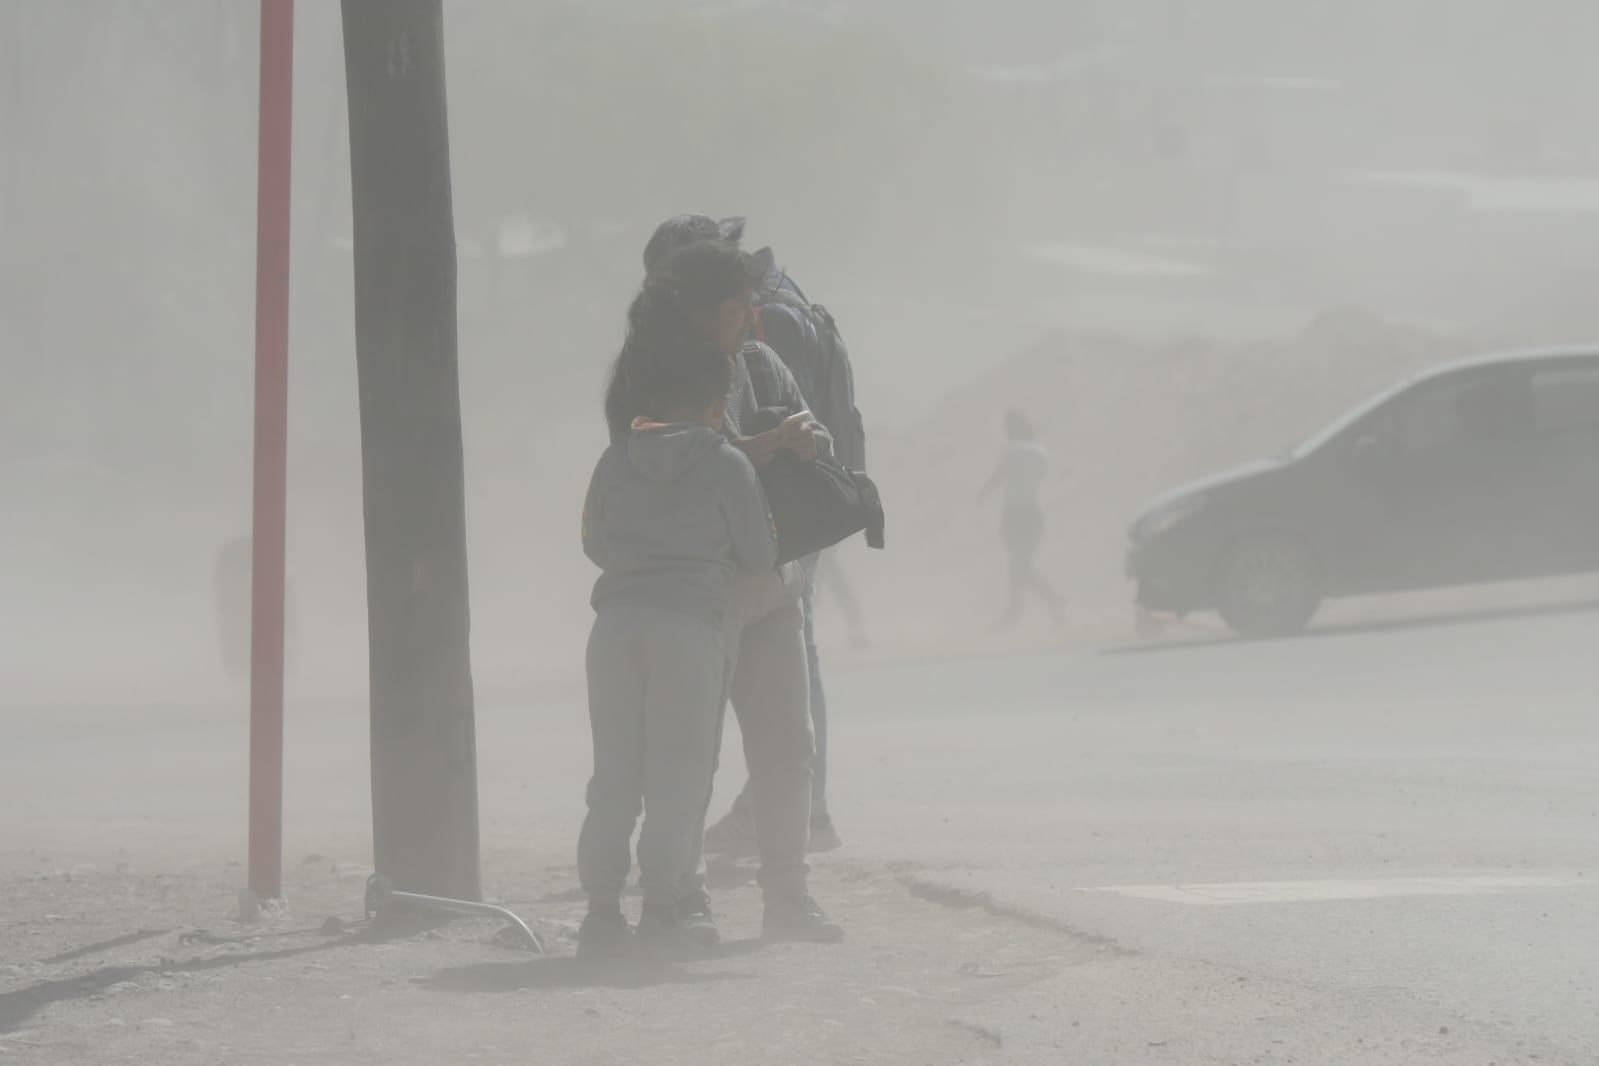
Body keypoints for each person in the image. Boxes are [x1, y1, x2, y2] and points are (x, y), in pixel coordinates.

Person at [607, 226, 845, 944]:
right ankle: (682, 899)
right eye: (739, 306)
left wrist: (806, 439)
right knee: (690, 755)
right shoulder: (648, 383)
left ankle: (788, 898)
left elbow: (818, 440)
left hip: (772, 583)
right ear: (704, 310)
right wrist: (760, 448)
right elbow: (661, 465)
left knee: (786, 745)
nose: (752, 316)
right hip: (697, 598)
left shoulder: (764, 364)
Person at [577, 242, 780, 959]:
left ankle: (601, 914)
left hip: (614, 625)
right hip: (690, 628)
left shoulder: (615, 455)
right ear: (714, 400)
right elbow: (759, 554)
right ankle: (665, 909)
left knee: (614, 778)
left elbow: (594, 542)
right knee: (679, 775)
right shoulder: (724, 461)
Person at [654, 217, 866, 856]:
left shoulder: (761, 320)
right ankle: (795, 813)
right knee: (791, 648)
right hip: (786, 509)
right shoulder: (780, 300)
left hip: (783, 514)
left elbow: (776, 422)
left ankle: (798, 812)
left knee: (790, 649)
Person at [981, 410, 1064, 627]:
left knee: (1018, 565)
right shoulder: (1041, 452)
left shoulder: (1012, 451)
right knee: (1018, 564)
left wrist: (982, 493)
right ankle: (1015, 611)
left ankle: (1050, 600)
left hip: (1014, 514)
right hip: (1033, 513)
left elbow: (998, 478)